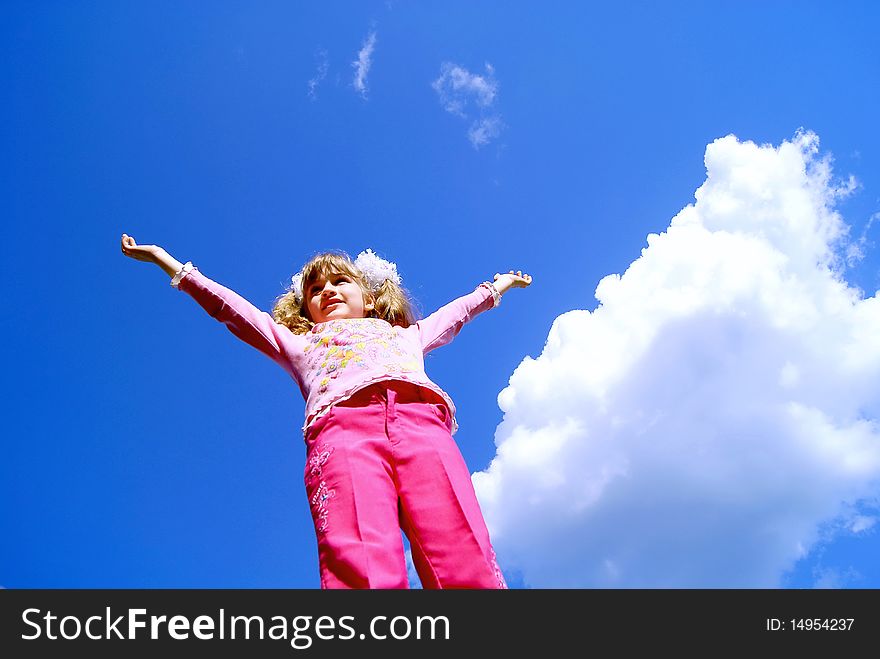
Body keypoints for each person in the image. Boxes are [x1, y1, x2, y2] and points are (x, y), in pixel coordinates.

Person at [120, 233, 532, 589]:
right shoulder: (299, 343)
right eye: (314, 290)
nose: (327, 291)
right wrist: (170, 264)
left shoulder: (406, 335)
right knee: (360, 555)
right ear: (306, 309)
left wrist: (496, 287)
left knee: (459, 541)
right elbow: (234, 310)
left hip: (423, 428)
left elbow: (455, 313)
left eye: (339, 281)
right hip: (344, 436)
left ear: (368, 297)